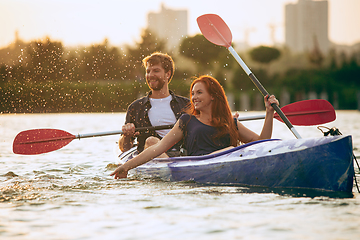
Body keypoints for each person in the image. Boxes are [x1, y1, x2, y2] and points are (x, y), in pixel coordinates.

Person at [111, 75, 279, 179]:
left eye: (199, 93)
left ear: (213, 96)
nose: (193, 97)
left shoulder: (230, 122)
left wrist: (269, 112)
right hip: (200, 168)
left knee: (230, 149)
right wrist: (126, 166)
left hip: (229, 164)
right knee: (227, 149)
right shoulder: (187, 121)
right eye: (192, 93)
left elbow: (262, 143)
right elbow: (159, 147)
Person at [119, 52, 190, 157]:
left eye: (156, 71)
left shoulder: (187, 105)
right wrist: (126, 136)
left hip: (182, 157)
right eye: (148, 71)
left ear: (168, 74)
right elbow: (125, 148)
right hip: (150, 160)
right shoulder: (136, 107)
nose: (150, 75)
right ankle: (169, 168)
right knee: (151, 141)